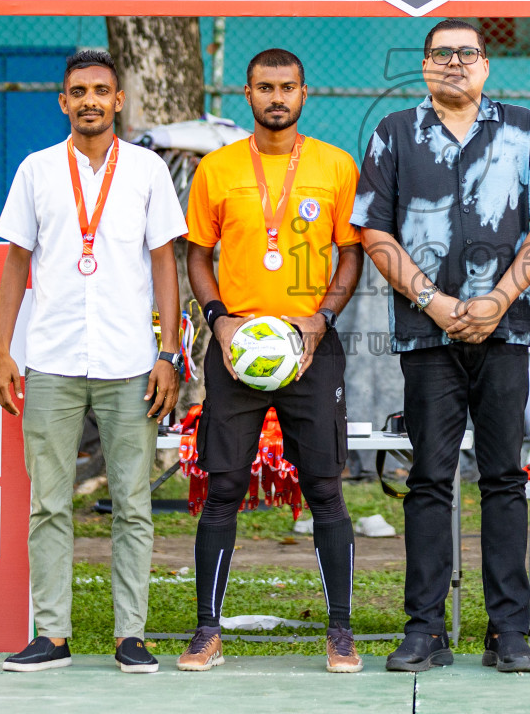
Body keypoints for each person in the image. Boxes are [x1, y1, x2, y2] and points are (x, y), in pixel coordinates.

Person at [354, 19, 530, 673]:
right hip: (427, 336)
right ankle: (424, 630)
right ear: (425, 66)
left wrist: (499, 299)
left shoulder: (524, 128)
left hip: (506, 332)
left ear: (485, 65)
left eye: (467, 53)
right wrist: (437, 303)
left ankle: (509, 632)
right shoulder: (394, 133)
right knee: (429, 479)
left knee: (504, 479)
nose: (454, 63)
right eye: (441, 54)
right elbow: (376, 233)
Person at [0, 48, 187, 674]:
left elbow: (164, 262)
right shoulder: (37, 170)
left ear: (119, 99)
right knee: (49, 503)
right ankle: (52, 634)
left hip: (130, 360)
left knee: (132, 504)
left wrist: (168, 352)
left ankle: (131, 635)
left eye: (101, 90)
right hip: (50, 359)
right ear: (63, 101)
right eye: (79, 92)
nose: (90, 101)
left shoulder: (148, 171)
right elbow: (16, 262)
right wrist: (3, 350)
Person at [177, 48, 366, 674]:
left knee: (326, 490)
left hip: (310, 347)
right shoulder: (218, 169)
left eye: (287, 87)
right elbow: (197, 254)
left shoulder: (337, 166)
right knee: (223, 487)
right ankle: (207, 630)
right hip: (238, 352)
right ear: (248, 95)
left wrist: (323, 319)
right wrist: (218, 320)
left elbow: (350, 253)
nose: (276, 97)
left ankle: (340, 631)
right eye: (264, 87)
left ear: (304, 94)